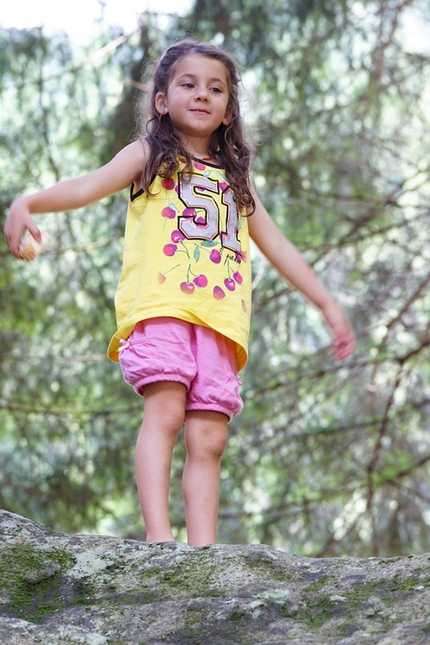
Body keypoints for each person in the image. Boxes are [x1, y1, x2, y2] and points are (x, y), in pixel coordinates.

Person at [3, 38, 356, 547]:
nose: (202, 95)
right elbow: (90, 184)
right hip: (163, 306)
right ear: (162, 100)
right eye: (188, 84)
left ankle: (203, 551)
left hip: (220, 321)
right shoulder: (149, 155)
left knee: (210, 437)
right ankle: (159, 539)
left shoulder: (236, 180)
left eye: (216, 89)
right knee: (165, 412)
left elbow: (277, 244)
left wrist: (325, 302)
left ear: (229, 110)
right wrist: (29, 201)